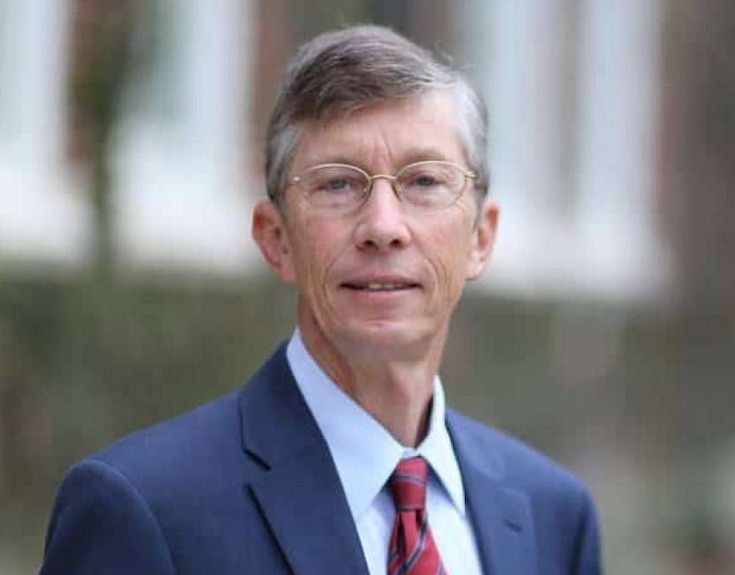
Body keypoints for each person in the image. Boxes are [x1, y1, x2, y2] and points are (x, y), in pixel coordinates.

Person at [39, 25, 602, 575]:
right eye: (338, 184)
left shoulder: (554, 517)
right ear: (275, 239)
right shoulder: (144, 511)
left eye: (424, 181)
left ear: (482, 236)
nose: (384, 227)